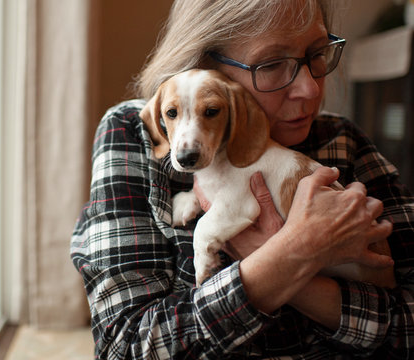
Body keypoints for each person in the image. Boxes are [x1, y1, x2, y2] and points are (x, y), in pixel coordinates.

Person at [71, 0, 414, 358]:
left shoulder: (342, 140)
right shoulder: (136, 132)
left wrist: (292, 271)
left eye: (317, 52)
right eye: (271, 64)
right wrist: (292, 254)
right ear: (205, 67)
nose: (310, 90)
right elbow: (126, 348)